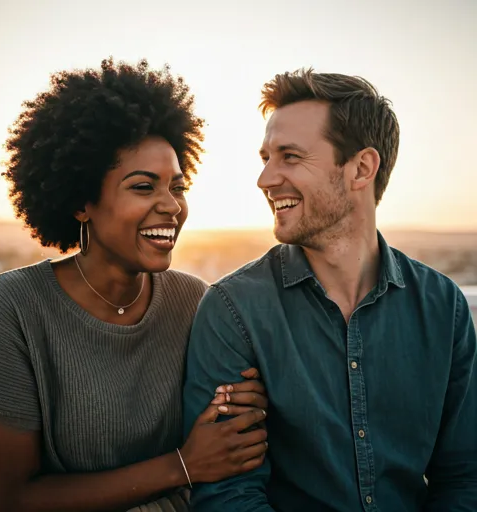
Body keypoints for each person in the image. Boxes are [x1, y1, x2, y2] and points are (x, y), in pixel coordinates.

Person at [0, 57, 268, 512]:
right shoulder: (12, 309)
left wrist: (250, 398)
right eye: (144, 187)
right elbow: (13, 500)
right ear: (82, 201)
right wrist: (182, 466)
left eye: (177, 187)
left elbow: (227, 433)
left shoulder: (194, 302)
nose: (171, 206)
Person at [183, 68, 477, 511]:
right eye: (265, 157)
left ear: (361, 168)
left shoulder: (443, 307)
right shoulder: (233, 310)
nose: (265, 179)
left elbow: (464, 476)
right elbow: (228, 496)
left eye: (290, 157)